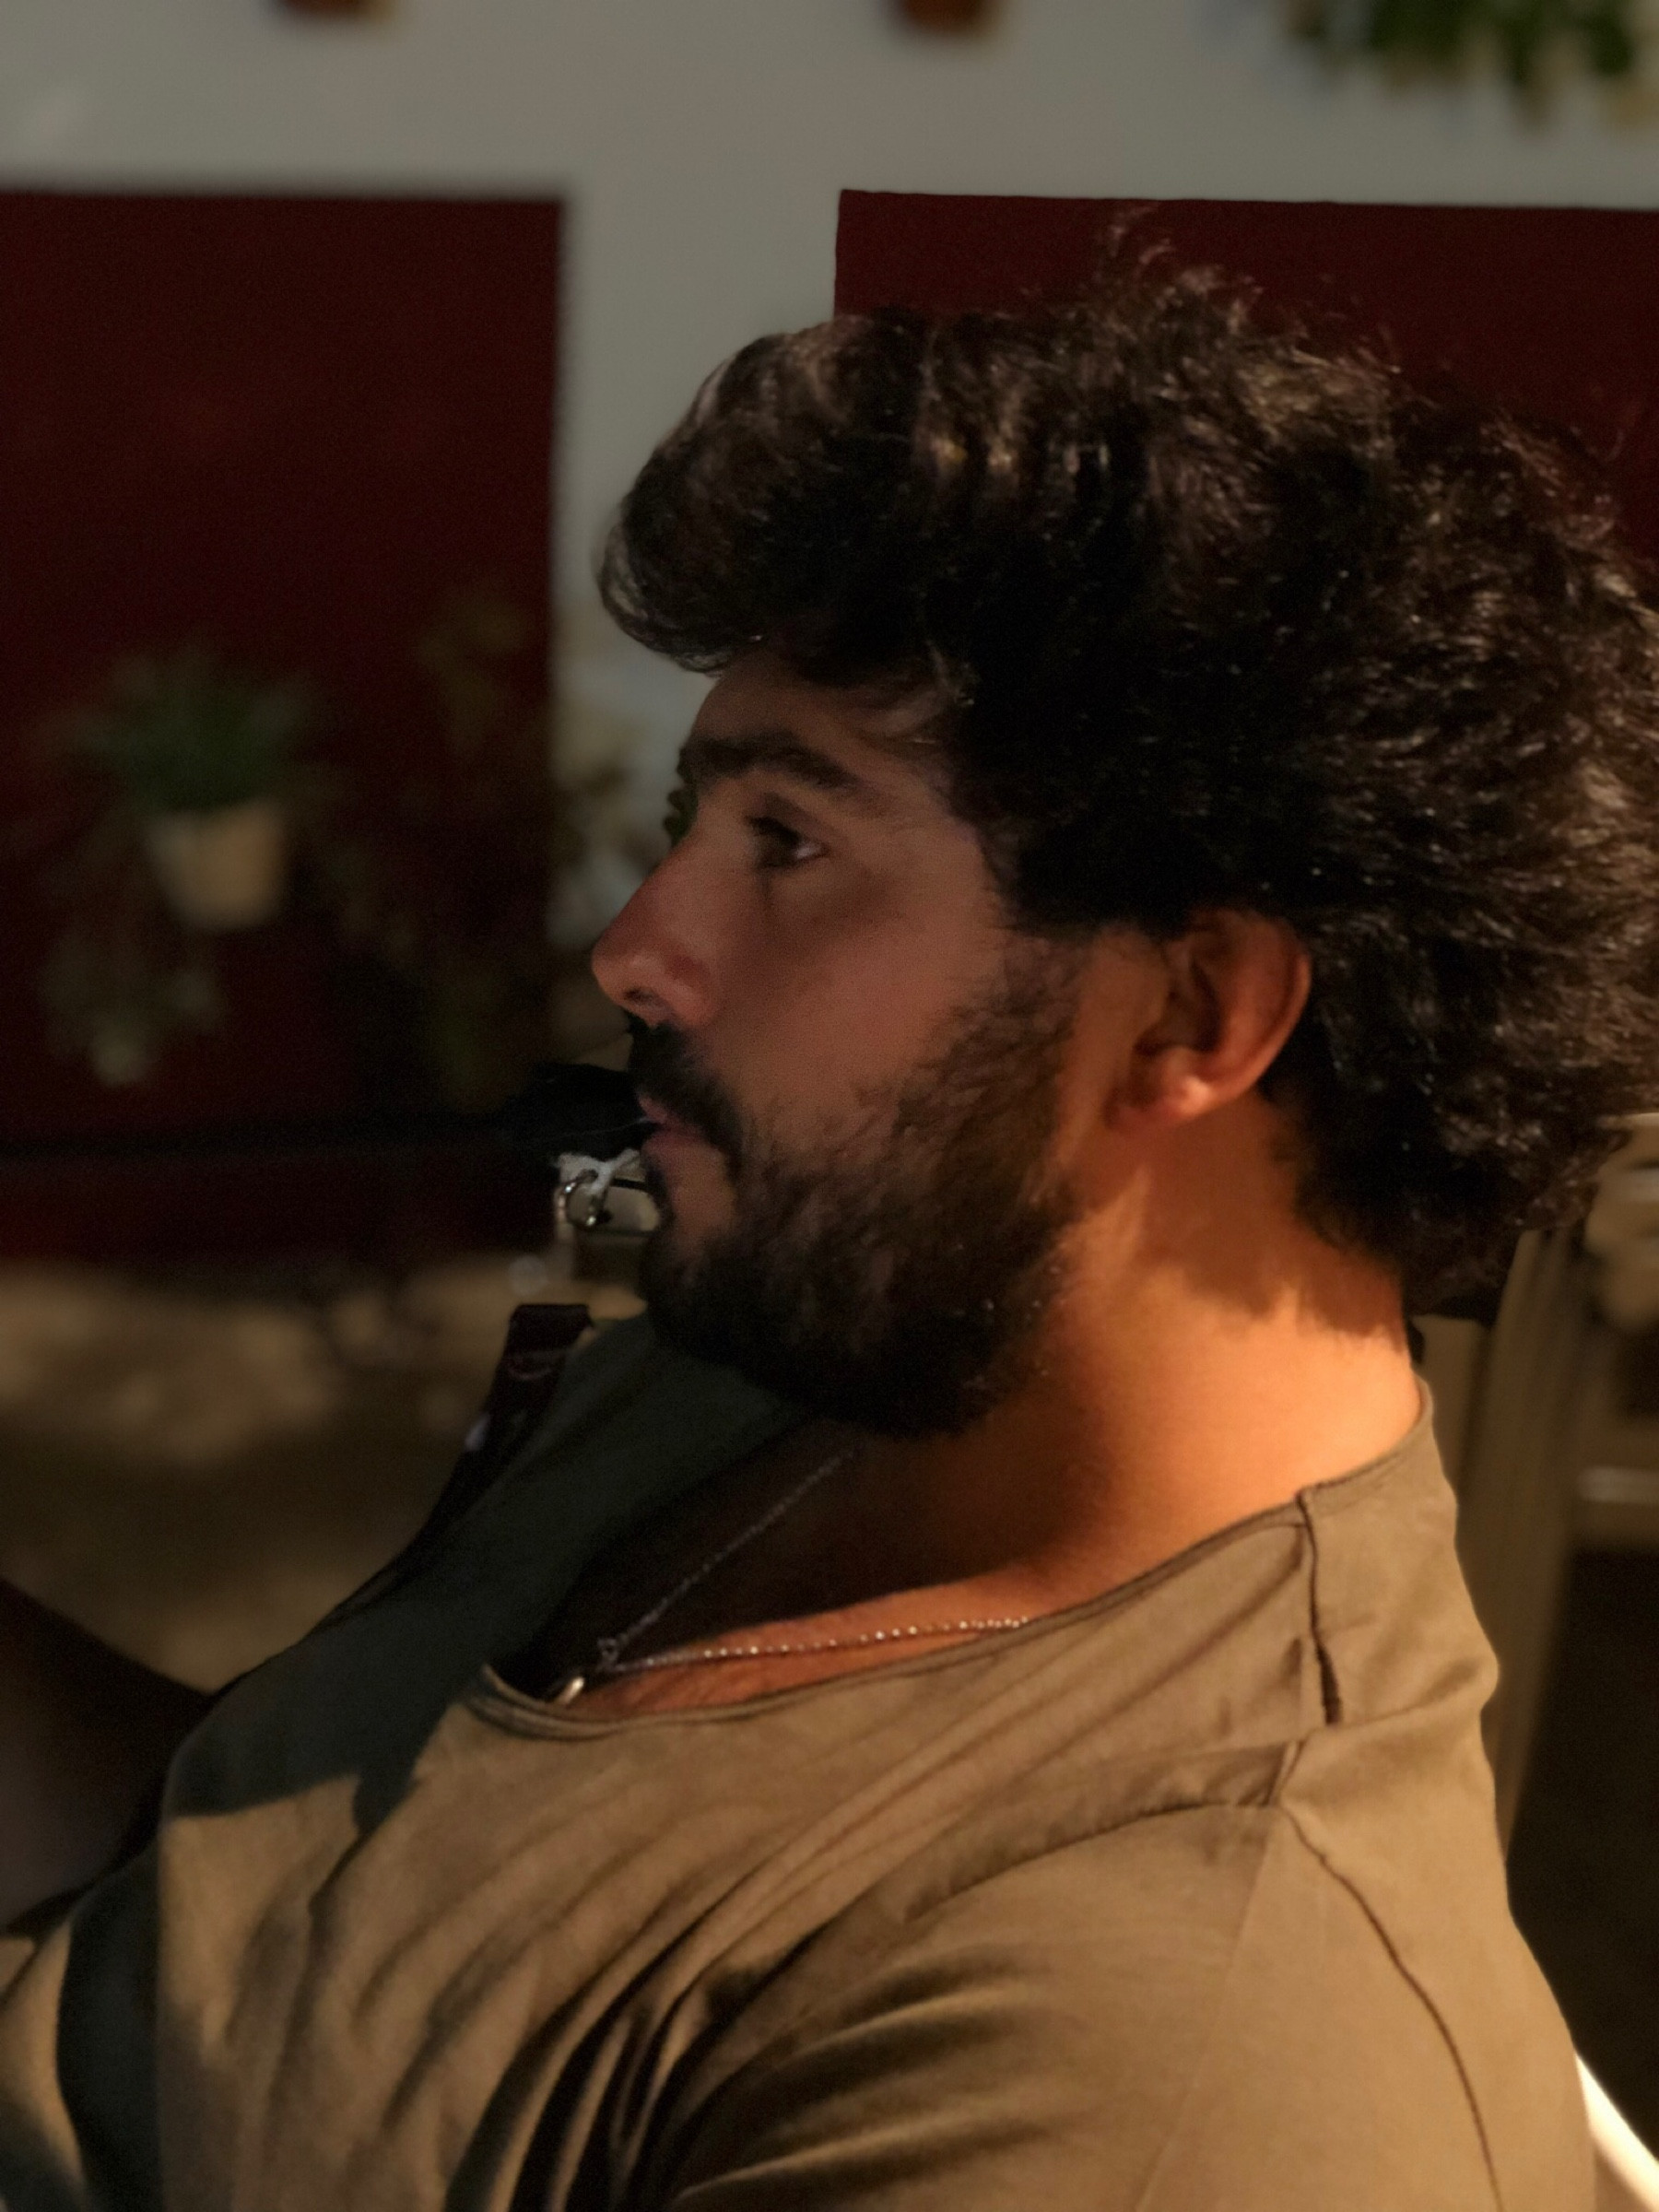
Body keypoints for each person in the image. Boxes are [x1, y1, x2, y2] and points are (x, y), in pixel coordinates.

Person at [4, 266, 1657, 2211]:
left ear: (1195, 1016)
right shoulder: (831, 1345)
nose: (636, 950)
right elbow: (278, 1938)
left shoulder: (1162, 2049)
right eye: (695, 824)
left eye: (789, 843)